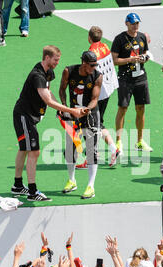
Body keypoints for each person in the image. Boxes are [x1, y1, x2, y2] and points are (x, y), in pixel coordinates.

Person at [10, 45, 90, 202]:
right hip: (24, 116)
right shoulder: (37, 75)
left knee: (24, 150)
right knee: (34, 152)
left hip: (30, 116)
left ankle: (17, 185)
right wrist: (71, 111)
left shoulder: (48, 72)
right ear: (47, 58)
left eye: (58, 60)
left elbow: (49, 93)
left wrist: (61, 108)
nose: (57, 63)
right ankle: (32, 192)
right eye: (55, 60)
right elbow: (46, 99)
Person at [58, 51, 103, 200]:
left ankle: (91, 186)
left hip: (90, 115)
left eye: (95, 65)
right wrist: (64, 107)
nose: (94, 67)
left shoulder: (97, 76)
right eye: (91, 65)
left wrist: (86, 109)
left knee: (91, 150)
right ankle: (72, 180)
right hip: (72, 114)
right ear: (83, 62)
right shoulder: (68, 71)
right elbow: (62, 89)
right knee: (70, 150)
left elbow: (95, 98)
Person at [76, 26, 120, 169]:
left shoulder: (90, 53)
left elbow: (89, 73)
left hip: (97, 93)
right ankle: (110, 150)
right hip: (108, 89)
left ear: (89, 37)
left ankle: (94, 156)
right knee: (99, 123)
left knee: (89, 124)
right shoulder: (105, 46)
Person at [111, 13, 153, 153]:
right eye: (133, 23)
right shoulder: (120, 39)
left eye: (137, 23)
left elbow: (147, 53)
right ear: (126, 23)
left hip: (141, 78)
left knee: (141, 109)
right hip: (125, 79)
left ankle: (140, 141)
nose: (136, 26)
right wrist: (130, 60)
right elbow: (114, 61)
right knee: (123, 108)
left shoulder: (142, 37)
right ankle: (118, 142)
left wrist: (144, 58)